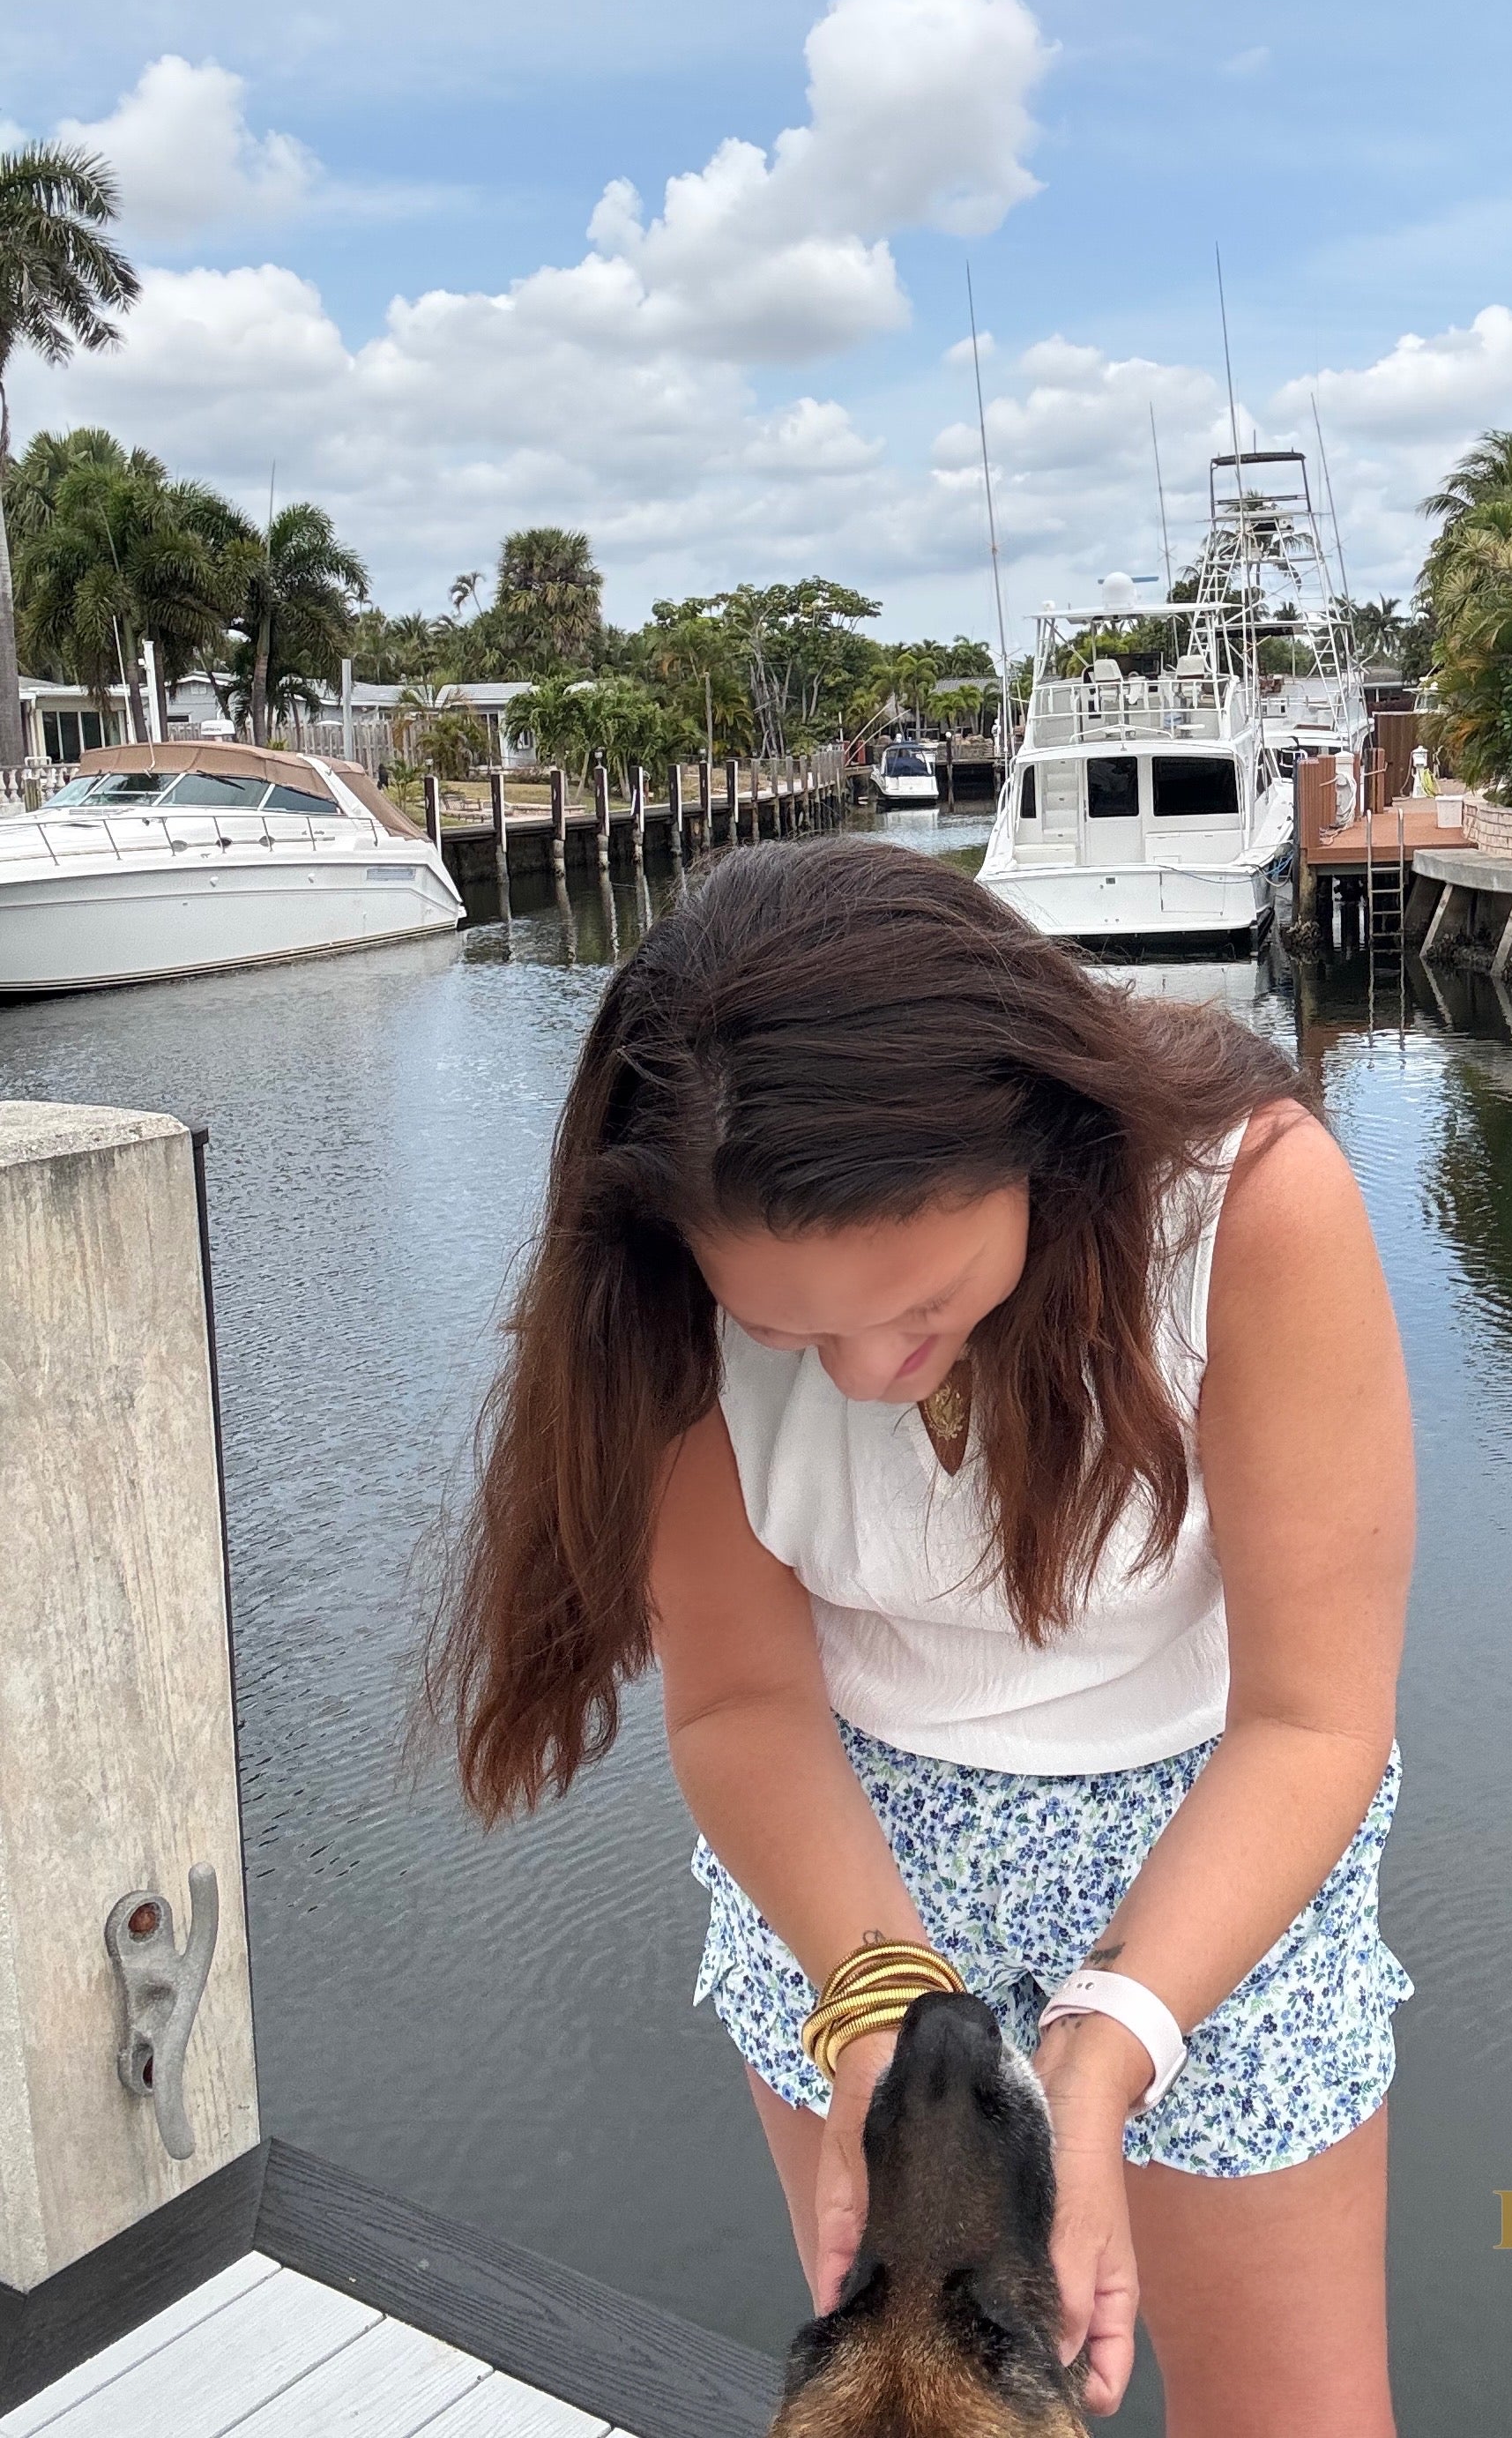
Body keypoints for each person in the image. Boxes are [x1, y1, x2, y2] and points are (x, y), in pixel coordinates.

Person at [435, 839, 1415, 2435]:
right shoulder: (667, 1295)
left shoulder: (1249, 1205)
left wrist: (1108, 2054)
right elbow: (745, 1699)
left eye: (917, 1304)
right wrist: (873, 2001)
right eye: (789, 1329)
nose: (866, 1375)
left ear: (1035, 1134)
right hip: (855, 1865)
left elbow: (1314, 1717)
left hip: (1226, 1840)